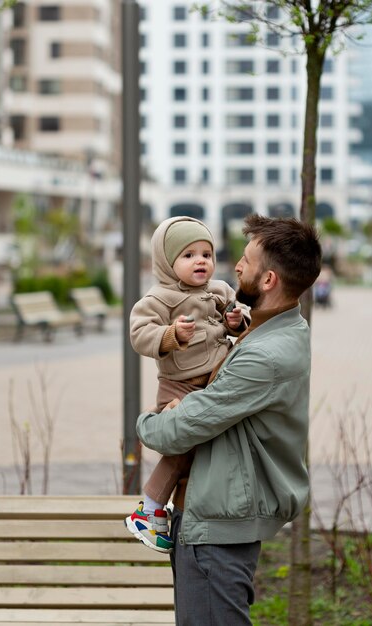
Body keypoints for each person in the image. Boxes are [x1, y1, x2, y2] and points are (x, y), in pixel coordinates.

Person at [136, 215, 322, 626]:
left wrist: (146, 423)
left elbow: (180, 429)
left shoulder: (264, 355)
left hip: (216, 527)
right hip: (212, 514)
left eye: (247, 260)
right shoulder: (273, 329)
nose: (235, 266)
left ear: (269, 279)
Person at [125, 216, 250, 552]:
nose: (200, 261)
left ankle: (174, 509)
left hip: (213, 383)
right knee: (183, 448)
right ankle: (149, 510)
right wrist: (171, 334)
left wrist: (235, 322)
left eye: (206, 254)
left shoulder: (220, 291)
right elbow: (139, 334)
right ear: (167, 262)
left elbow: (238, 320)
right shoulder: (159, 299)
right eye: (189, 255)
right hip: (178, 387)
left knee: (200, 451)